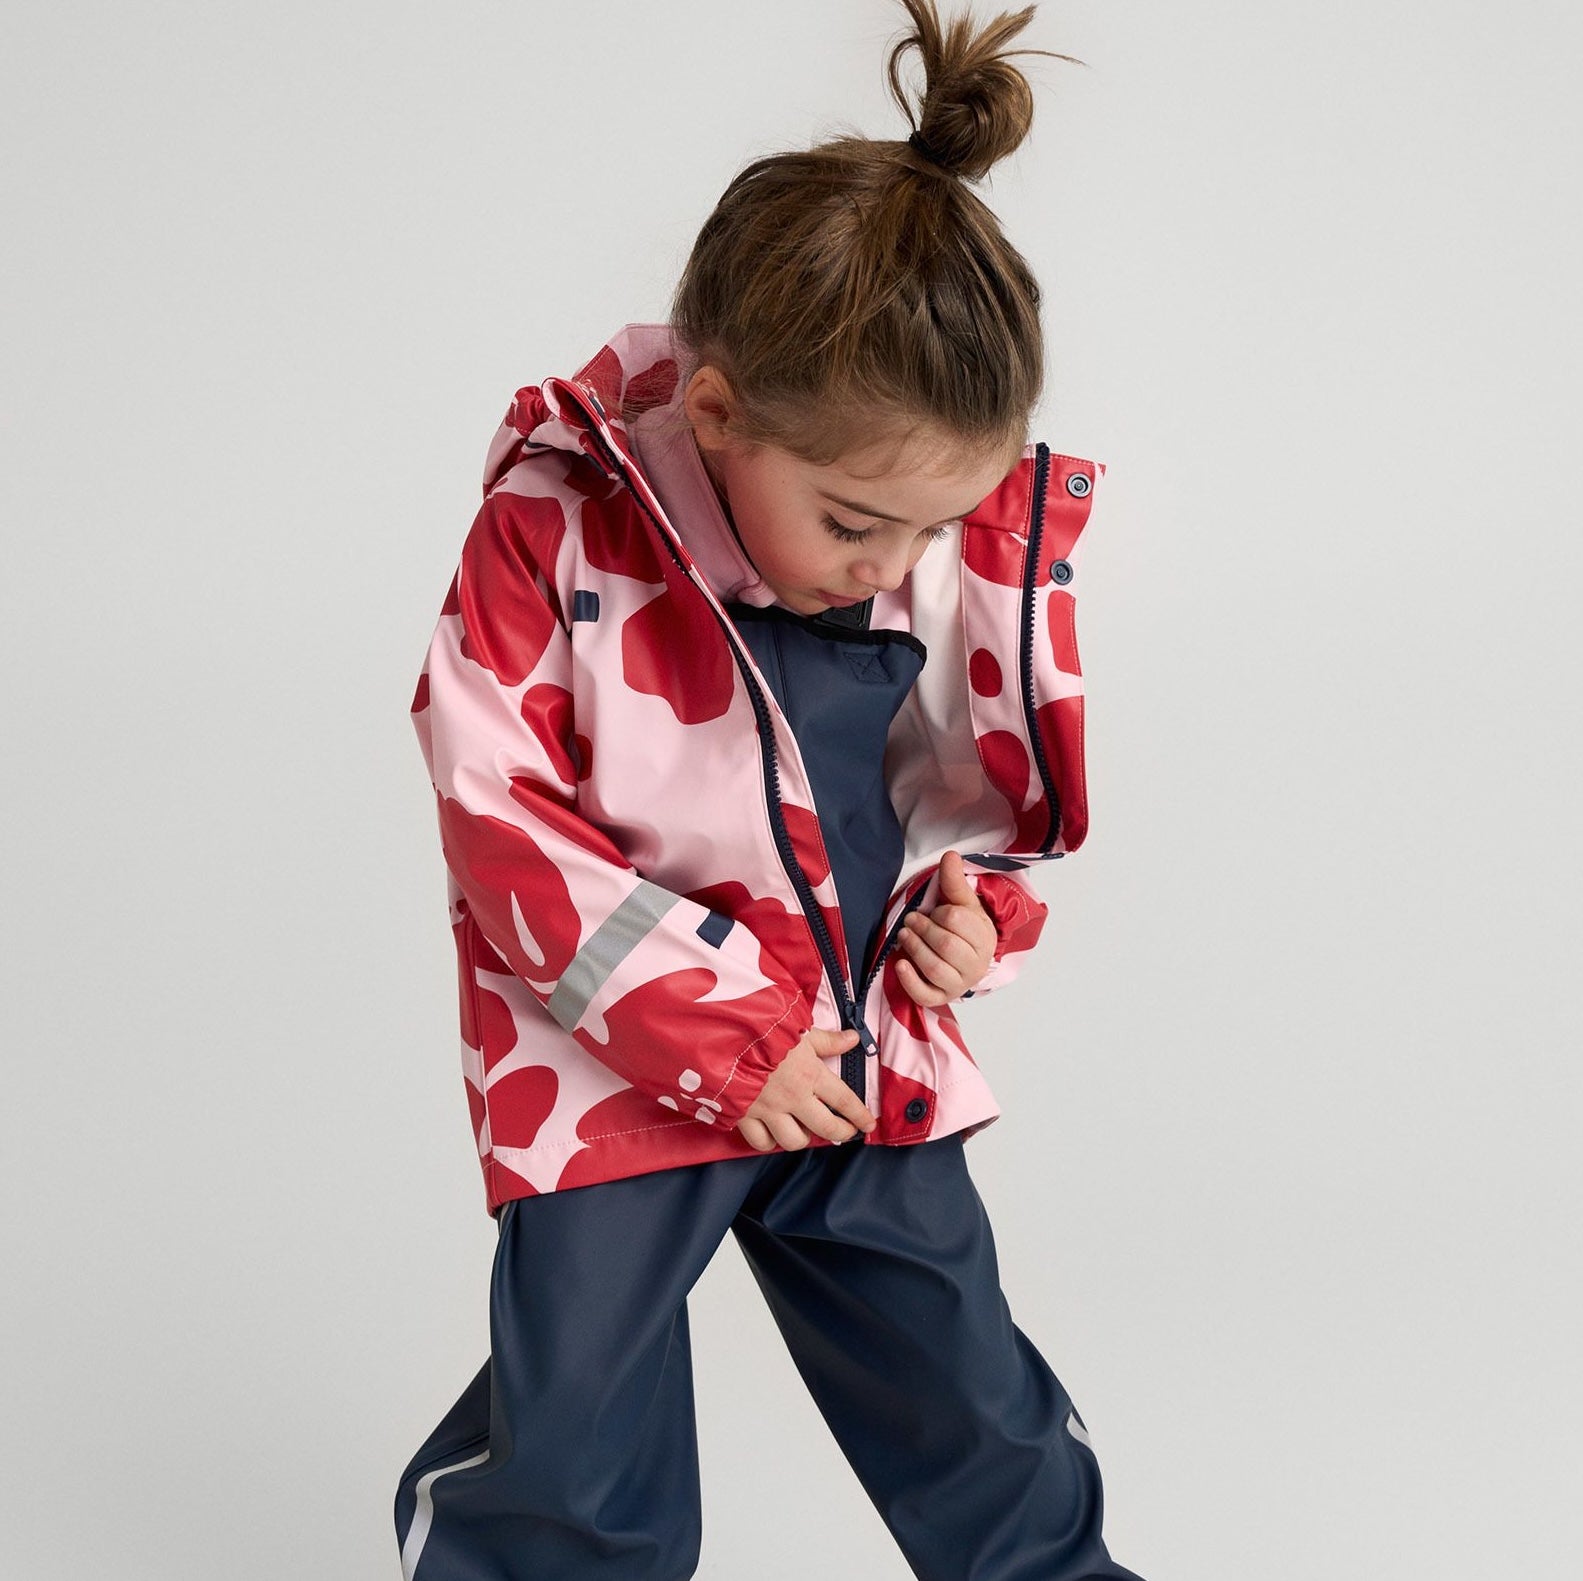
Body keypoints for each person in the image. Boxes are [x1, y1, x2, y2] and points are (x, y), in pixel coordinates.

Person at [394, 2, 1144, 1577]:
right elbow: (499, 815)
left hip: (851, 1046)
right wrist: (719, 1037)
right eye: (858, 519)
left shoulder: (907, 543)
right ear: (718, 410)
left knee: (972, 1397)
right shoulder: (551, 540)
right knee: (578, 1444)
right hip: (607, 1063)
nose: (893, 562)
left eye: (928, 530)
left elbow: (959, 788)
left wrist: (969, 916)